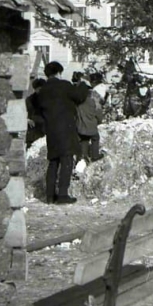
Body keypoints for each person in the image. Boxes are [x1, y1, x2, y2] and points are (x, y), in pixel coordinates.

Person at [35, 61, 89, 205]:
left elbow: (37, 110)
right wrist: (83, 83)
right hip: (66, 128)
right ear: (59, 72)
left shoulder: (43, 91)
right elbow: (79, 96)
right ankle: (63, 194)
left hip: (51, 130)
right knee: (67, 160)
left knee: (53, 161)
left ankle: (50, 196)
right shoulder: (64, 85)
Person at [73, 73, 103, 163]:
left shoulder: (78, 101)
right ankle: (95, 155)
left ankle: (83, 156)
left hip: (81, 126)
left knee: (84, 140)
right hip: (91, 126)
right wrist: (99, 120)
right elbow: (98, 113)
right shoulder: (93, 101)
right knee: (95, 138)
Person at [25, 77, 46, 147]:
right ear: (35, 89)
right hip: (33, 129)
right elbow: (23, 114)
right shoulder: (29, 100)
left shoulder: (50, 100)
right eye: (39, 89)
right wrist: (27, 120)